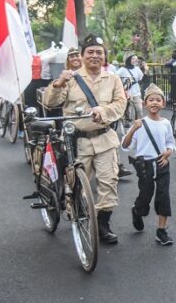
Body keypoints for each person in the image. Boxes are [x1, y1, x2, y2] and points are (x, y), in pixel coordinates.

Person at [43, 35, 127, 244]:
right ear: (82, 56)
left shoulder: (113, 78)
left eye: (99, 52)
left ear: (104, 56)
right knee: (76, 185)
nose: (95, 56)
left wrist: (104, 111)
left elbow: (120, 104)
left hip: (105, 138)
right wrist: (59, 82)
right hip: (76, 142)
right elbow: (49, 102)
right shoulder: (70, 78)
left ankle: (103, 224)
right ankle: (78, 214)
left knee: (109, 182)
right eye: (90, 52)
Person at [122, 83, 175, 245]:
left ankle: (161, 231)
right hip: (144, 165)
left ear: (163, 104)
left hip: (162, 162)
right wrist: (132, 129)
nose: (154, 103)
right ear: (145, 104)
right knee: (146, 194)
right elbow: (125, 145)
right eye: (150, 100)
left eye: (158, 100)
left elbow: (170, 143)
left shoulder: (166, 123)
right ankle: (137, 210)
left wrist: (168, 152)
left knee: (163, 196)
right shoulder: (140, 124)